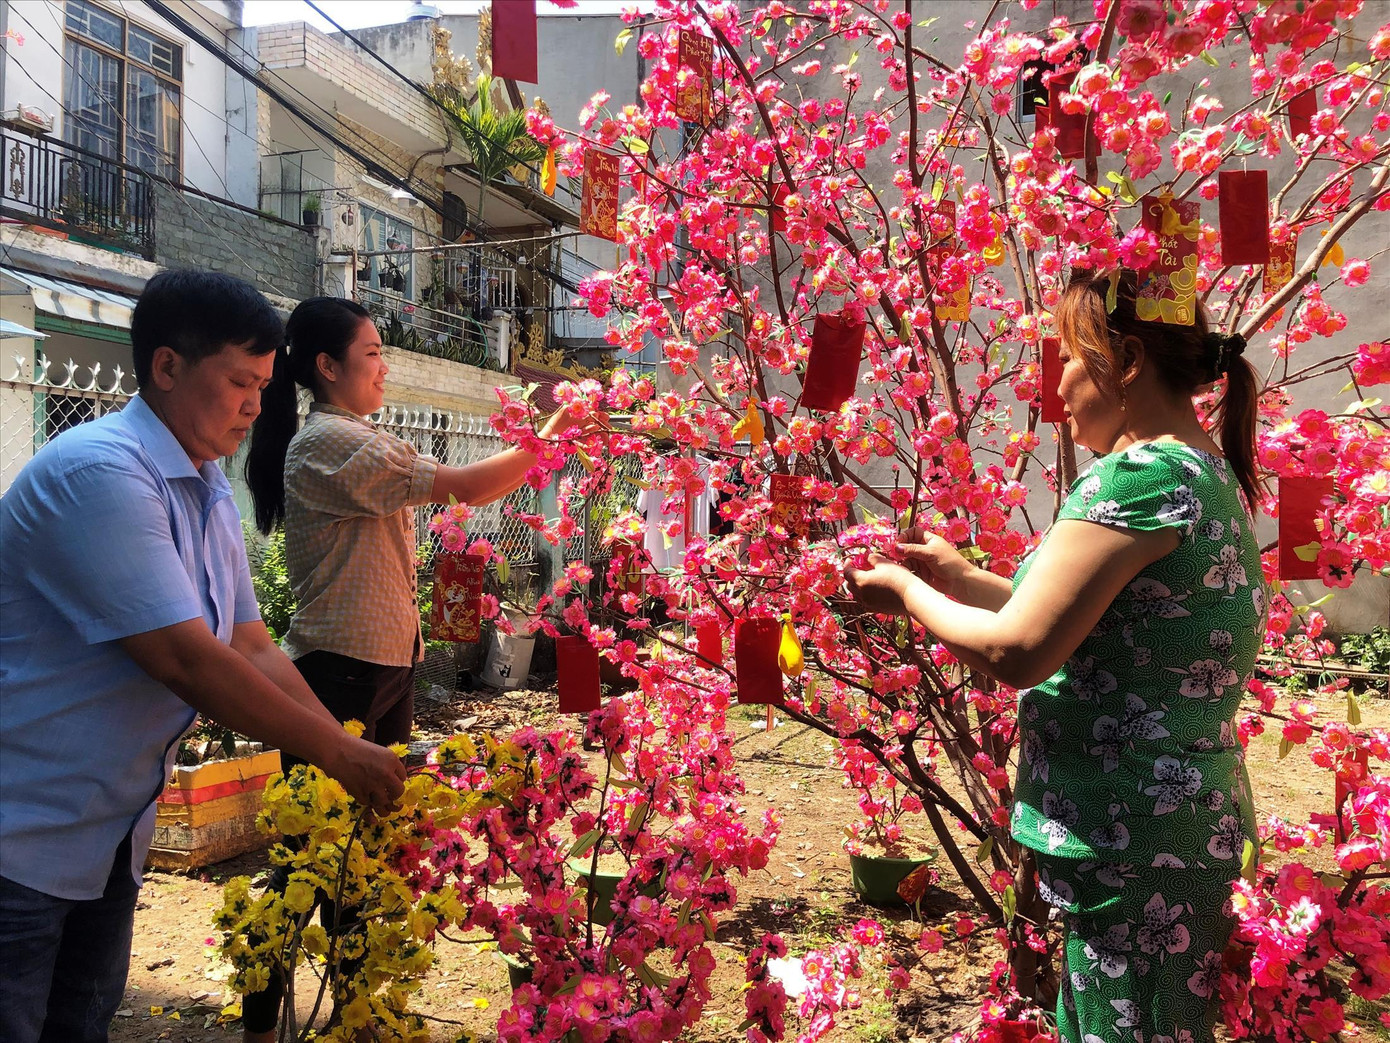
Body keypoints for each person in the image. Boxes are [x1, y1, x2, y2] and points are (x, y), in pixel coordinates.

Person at [846, 269, 1264, 1043]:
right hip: (1165, 837)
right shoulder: (1198, 469)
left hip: (1133, 848)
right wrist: (961, 577)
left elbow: (1019, 649)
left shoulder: (1140, 476)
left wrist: (906, 591)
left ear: (1127, 360)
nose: (1058, 384)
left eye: (1070, 357)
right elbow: (1103, 625)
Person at [0, 270, 407, 1043]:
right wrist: (341, 754)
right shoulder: (102, 472)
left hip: (106, 835)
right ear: (166, 368)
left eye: (263, 383)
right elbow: (188, 659)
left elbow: (249, 642)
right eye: (239, 382)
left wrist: (343, 746)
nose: (257, 404)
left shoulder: (205, 481)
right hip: (21, 832)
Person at [240, 296, 601, 1041]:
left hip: (381, 665)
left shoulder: (354, 436)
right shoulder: (333, 442)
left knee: (363, 847)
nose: (384, 364)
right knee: (313, 855)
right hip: (338, 670)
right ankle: (263, 1002)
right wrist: (554, 431)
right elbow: (468, 486)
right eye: (371, 353)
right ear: (327, 367)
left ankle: (354, 1008)